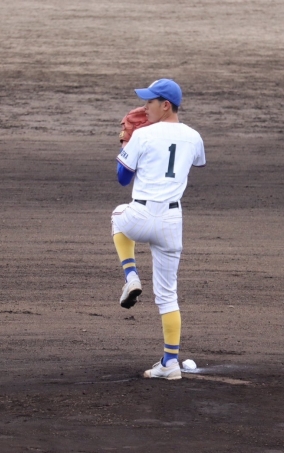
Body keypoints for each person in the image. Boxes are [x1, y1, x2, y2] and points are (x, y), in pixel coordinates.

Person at [111, 79, 206, 380]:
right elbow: (197, 162)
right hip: (171, 223)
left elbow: (122, 179)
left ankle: (131, 276)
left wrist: (127, 142)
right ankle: (171, 363)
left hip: (140, 215)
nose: (145, 106)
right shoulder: (194, 137)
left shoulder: (142, 134)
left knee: (117, 216)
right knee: (168, 296)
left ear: (166, 105)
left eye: (150, 101)